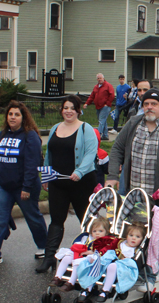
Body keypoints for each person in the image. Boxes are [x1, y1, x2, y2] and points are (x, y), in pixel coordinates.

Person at [106, 88, 159, 291]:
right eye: (146, 104)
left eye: (154, 104)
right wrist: (112, 177)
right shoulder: (134, 124)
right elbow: (117, 148)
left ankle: (150, 272)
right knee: (153, 230)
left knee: (155, 230)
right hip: (135, 191)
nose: (149, 107)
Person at [0, 101, 47, 266]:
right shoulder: (3, 134)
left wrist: (27, 187)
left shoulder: (30, 136)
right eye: (10, 114)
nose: (13, 117)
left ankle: (45, 247)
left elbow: (32, 164)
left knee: (33, 217)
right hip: (3, 185)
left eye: (17, 114)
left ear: (23, 117)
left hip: (24, 186)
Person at [37, 95, 98, 273]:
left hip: (81, 182)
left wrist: (79, 172)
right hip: (58, 182)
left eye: (72, 108)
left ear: (78, 110)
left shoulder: (86, 129)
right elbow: (49, 154)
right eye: (65, 108)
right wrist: (46, 177)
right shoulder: (55, 128)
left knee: (86, 221)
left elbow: (90, 154)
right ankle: (49, 258)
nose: (68, 111)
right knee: (56, 220)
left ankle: (93, 255)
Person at [79, 223, 146, 303]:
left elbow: (132, 262)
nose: (133, 238)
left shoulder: (136, 250)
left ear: (142, 239)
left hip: (123, 267)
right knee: (98, 262)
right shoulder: (120, 243)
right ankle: (88, 287)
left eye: (137, 237)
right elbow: (108, 250)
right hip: (110, 261)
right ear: (126, 235)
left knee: (112, 266)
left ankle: (105, 290)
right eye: (131, 235)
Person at [49, 216, 110, 291]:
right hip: (79, 254)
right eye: (94, 231)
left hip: (91, 259)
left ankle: (71, 282)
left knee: (77, 263)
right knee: (66, 258)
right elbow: (77, 244)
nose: (97, 233)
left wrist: (89, 252)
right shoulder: (86, 237)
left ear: (106, 232)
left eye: (100, 231)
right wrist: (79, 248)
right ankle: (57, 277)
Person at [84, 73, 115, 140]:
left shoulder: (108, 85)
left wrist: (107, 103)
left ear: (103, 78)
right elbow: (92, 96)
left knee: (101, 120)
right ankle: (105, 135)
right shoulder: (96, 87)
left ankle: (98, 134)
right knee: (103, 121)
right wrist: (87, 103)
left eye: (100, 78)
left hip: (105, 106)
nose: (99, 79)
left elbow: (112, 95)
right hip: (98, 106)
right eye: (98, 78)